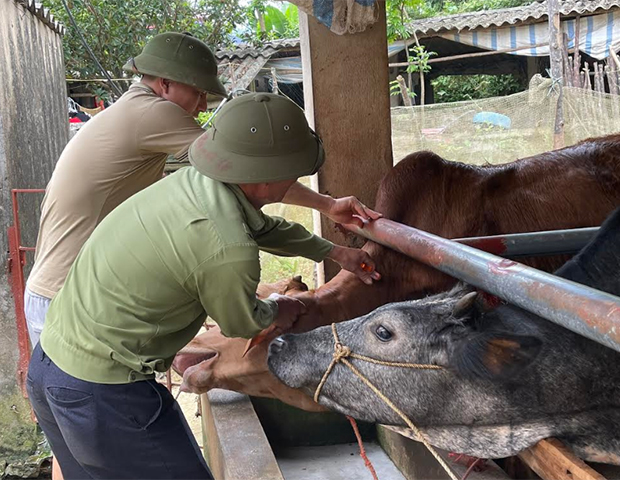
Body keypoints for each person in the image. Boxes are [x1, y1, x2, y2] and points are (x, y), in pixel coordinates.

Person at [26, 92, 381, 480]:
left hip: (50, 367)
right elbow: (242, 323)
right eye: (293, 168)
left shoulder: (197, 184)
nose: (297, 177)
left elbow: (263, 228)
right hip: (103, 392)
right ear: (265, 178)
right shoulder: (227, 248)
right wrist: (281, 308)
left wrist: (333, 252)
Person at [25, 31, 380, 348]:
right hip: (68, 298)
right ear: (165, 84)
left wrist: (331, 248)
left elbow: (250, 200)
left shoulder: (131, 114)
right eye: (197, 93)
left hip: (60, 288)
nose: (199, 106)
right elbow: (250, 173)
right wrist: (329, 205)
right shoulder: (154, 115)